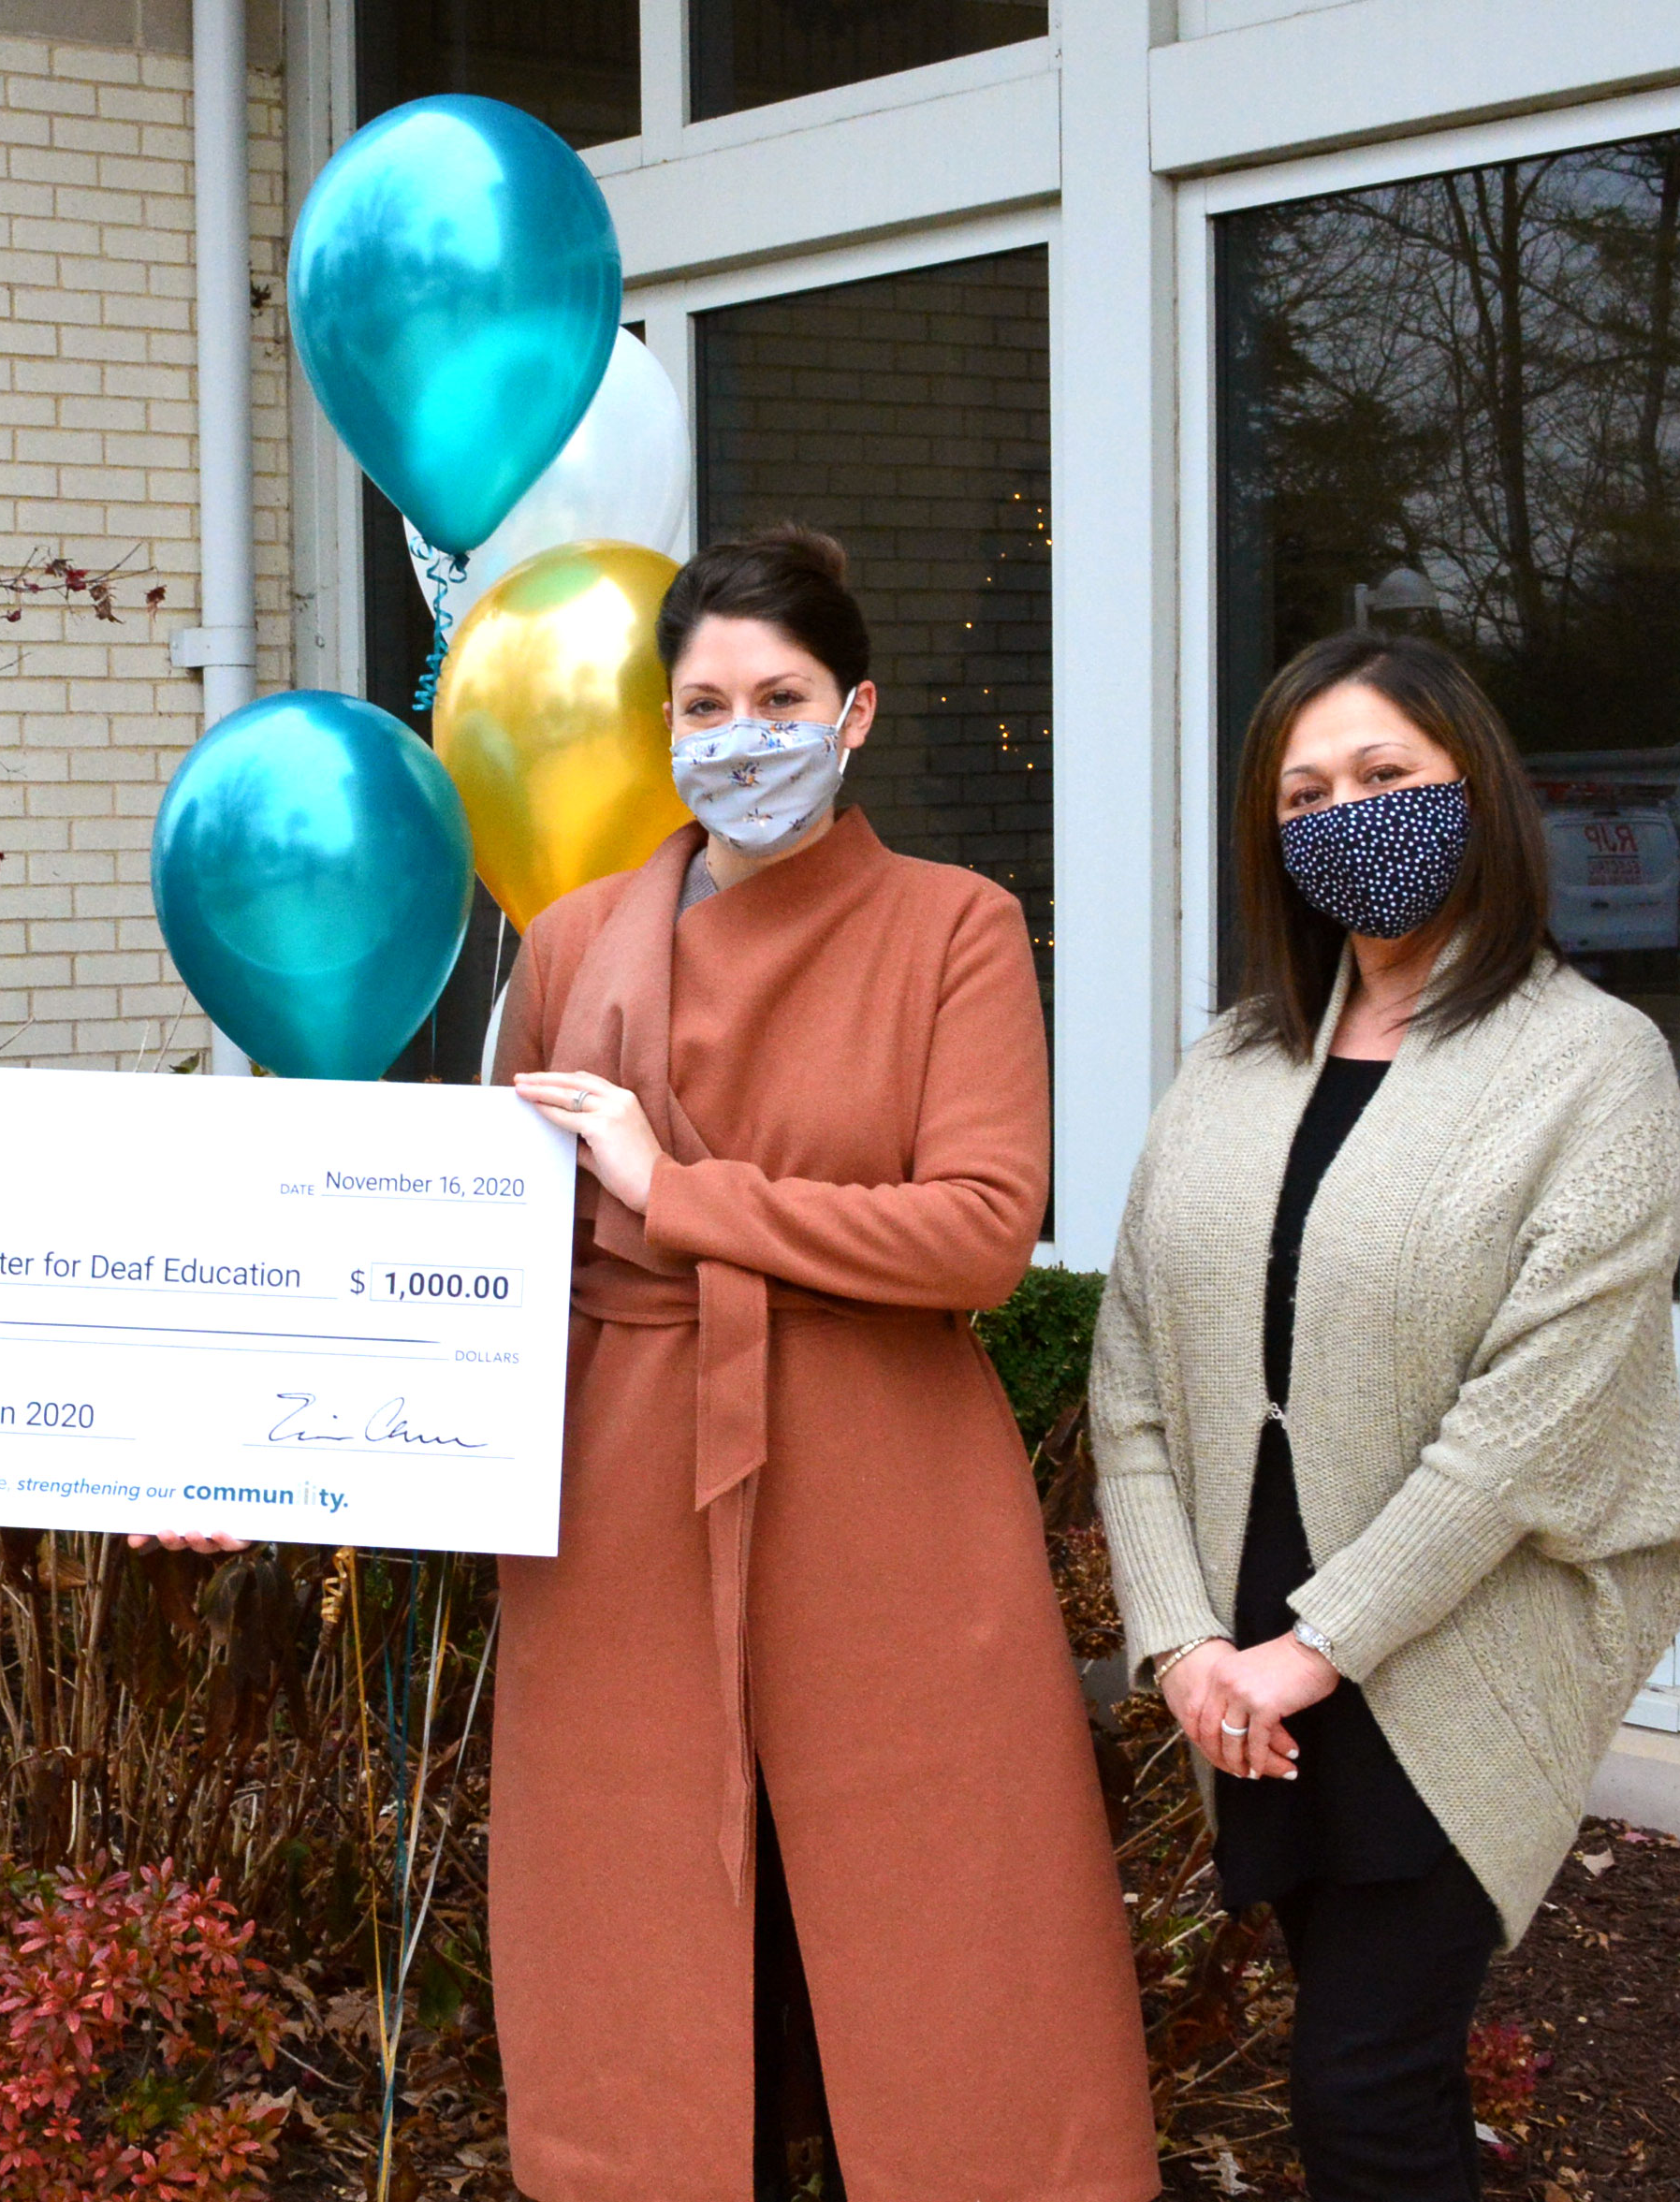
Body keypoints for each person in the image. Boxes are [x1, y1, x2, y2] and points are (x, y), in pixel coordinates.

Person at [496, 526, 1161, 2202]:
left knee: (927, 1924)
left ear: (853, 713)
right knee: (647, 1918)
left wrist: (678, 1194)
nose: (742, 735)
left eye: (780, 699)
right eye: (704, 704)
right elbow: (490, 1249)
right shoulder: (570, 943)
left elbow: (979, 1232)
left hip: (884, 1485)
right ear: (663, 724)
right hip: (621, 1483)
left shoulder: (954, 925)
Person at [1090, 629, 1680, 2199]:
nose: (1345, 815)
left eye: (1384, 774)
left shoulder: (1591, 1065)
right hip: (1244, 1671)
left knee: (1360, 2089)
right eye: (1304, 794)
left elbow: (1532, 1421)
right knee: (1386, 2081)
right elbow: (1131, 1375)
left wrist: (1313, 1649)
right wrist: (1183, 1644)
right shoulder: (1229, 1064)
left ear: (1474, 791)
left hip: (1444, 1655)